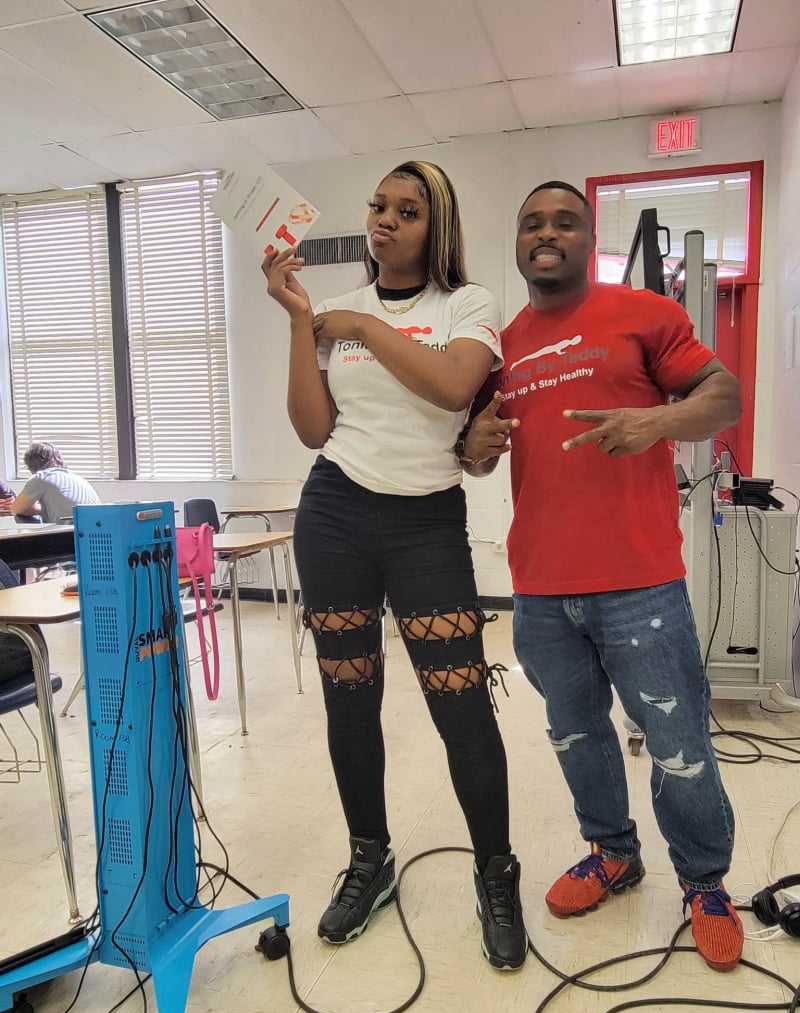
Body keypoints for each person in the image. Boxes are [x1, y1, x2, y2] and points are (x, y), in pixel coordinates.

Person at [460, 180, 744, 972]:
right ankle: (613, 852)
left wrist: (656, 420)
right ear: (518, 242)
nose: (546, 233)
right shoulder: (501, 346)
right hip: (541, 588)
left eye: (565, 221)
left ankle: (705, 881)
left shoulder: (642, 314)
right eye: (532, 223)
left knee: (677, 740)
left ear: (590, 239)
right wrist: (474, 447)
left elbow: (723, 396)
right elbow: (478, 455)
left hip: (639, 581)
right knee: (576, 734)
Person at [261, 160, 527, 971]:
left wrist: (358, 325)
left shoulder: (467, 305)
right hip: (335, 513)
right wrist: (302, 321)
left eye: (407, 211)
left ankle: (496, 872)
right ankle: (368, 858)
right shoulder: (335, 313)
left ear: (436, 226)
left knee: (462, 707)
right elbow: (314, 429)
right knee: (350, 701)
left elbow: (453, 387)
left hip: (426, 524)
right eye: (379, 205)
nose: (385, 219)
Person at [0, 443, 100, 523]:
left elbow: (15, 509)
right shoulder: (78, 478)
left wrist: (24, 507)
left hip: (70, 533)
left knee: (20, 516)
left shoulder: (41, 477)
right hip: (98, 530)